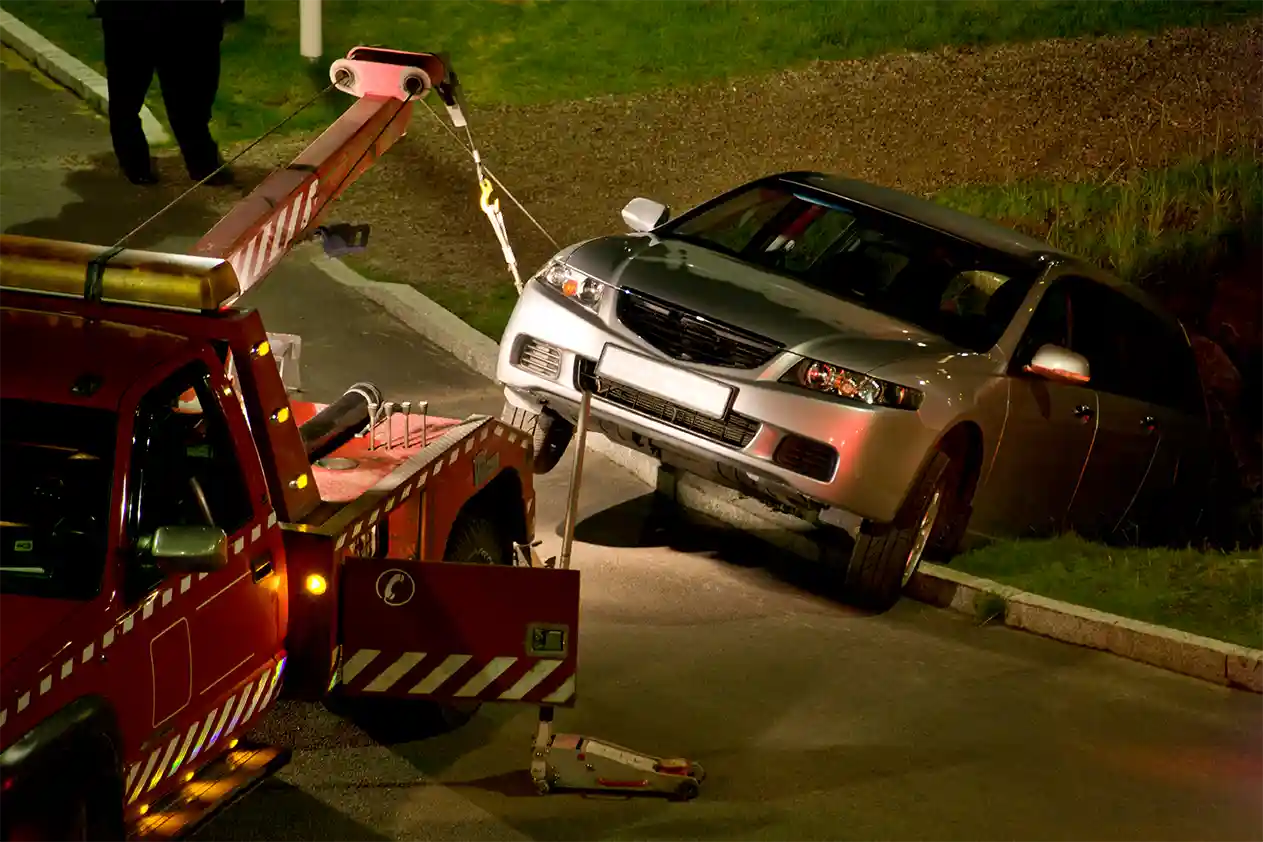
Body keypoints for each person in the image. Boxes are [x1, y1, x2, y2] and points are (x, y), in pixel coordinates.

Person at [94, 0, 237, 186]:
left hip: (181, 17)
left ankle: (201, 163)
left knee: (187, 99)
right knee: (126, 99)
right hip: (128, 19)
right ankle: (135, 165)